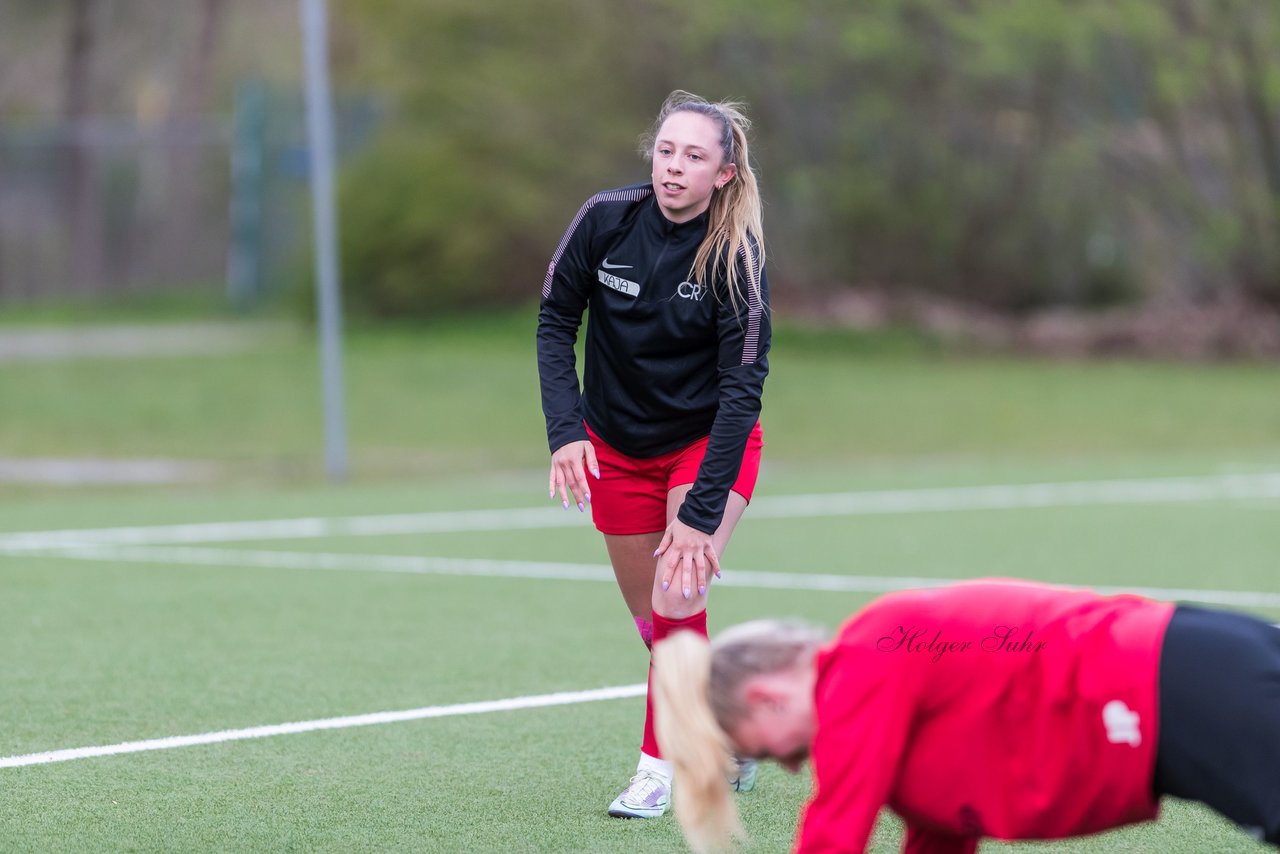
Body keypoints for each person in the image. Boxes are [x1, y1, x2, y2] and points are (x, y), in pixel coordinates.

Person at [652, 578, 1280, 853]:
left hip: (1186, 685)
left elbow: (833, 835)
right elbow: (939, 837)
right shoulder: (899, 754)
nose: (790, 769)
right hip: (1185, 696)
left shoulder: (868, 655)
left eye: (764, 751)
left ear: (767, 696)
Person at [536, 90, 771, 819]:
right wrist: (566, 430)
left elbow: (743, 391)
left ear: (723, 174)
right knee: (657, 625)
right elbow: (554, 320)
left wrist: (700, 516)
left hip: (706, 445)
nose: (674, 168)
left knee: (678, 594)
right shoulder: (606, 219)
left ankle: (658, 767)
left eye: (694, 156)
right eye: (666, 151)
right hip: (615, 445)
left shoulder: (737, 257)